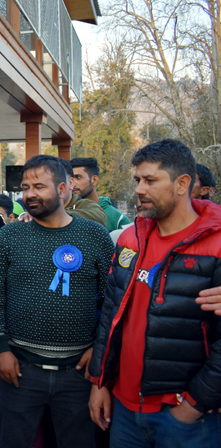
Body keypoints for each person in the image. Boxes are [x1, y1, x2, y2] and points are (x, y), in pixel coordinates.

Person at [89, 139, 221, 447]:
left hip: (186, 419)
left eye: (150, 180)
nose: (139, 189)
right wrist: (100, 381)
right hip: (124, 410)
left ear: (182, 184)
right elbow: (110, 315)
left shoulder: (216, 244)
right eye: (138, 180)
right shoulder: (130, 238)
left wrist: (193, 406)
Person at [0, 155, 114, 448]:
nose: (29, 194)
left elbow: (112, 302)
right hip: (19, 371)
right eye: (25, 187)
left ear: (63, 189)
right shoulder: (9, 236)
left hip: (78, 375)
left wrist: (98, 349)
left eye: (39, 186)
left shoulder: (95, 236)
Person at [70, 157, 131, 232]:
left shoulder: (117, 219)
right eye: (70, 179)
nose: (72, 184)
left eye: (78, 177)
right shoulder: (65, 215)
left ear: (94, 180)